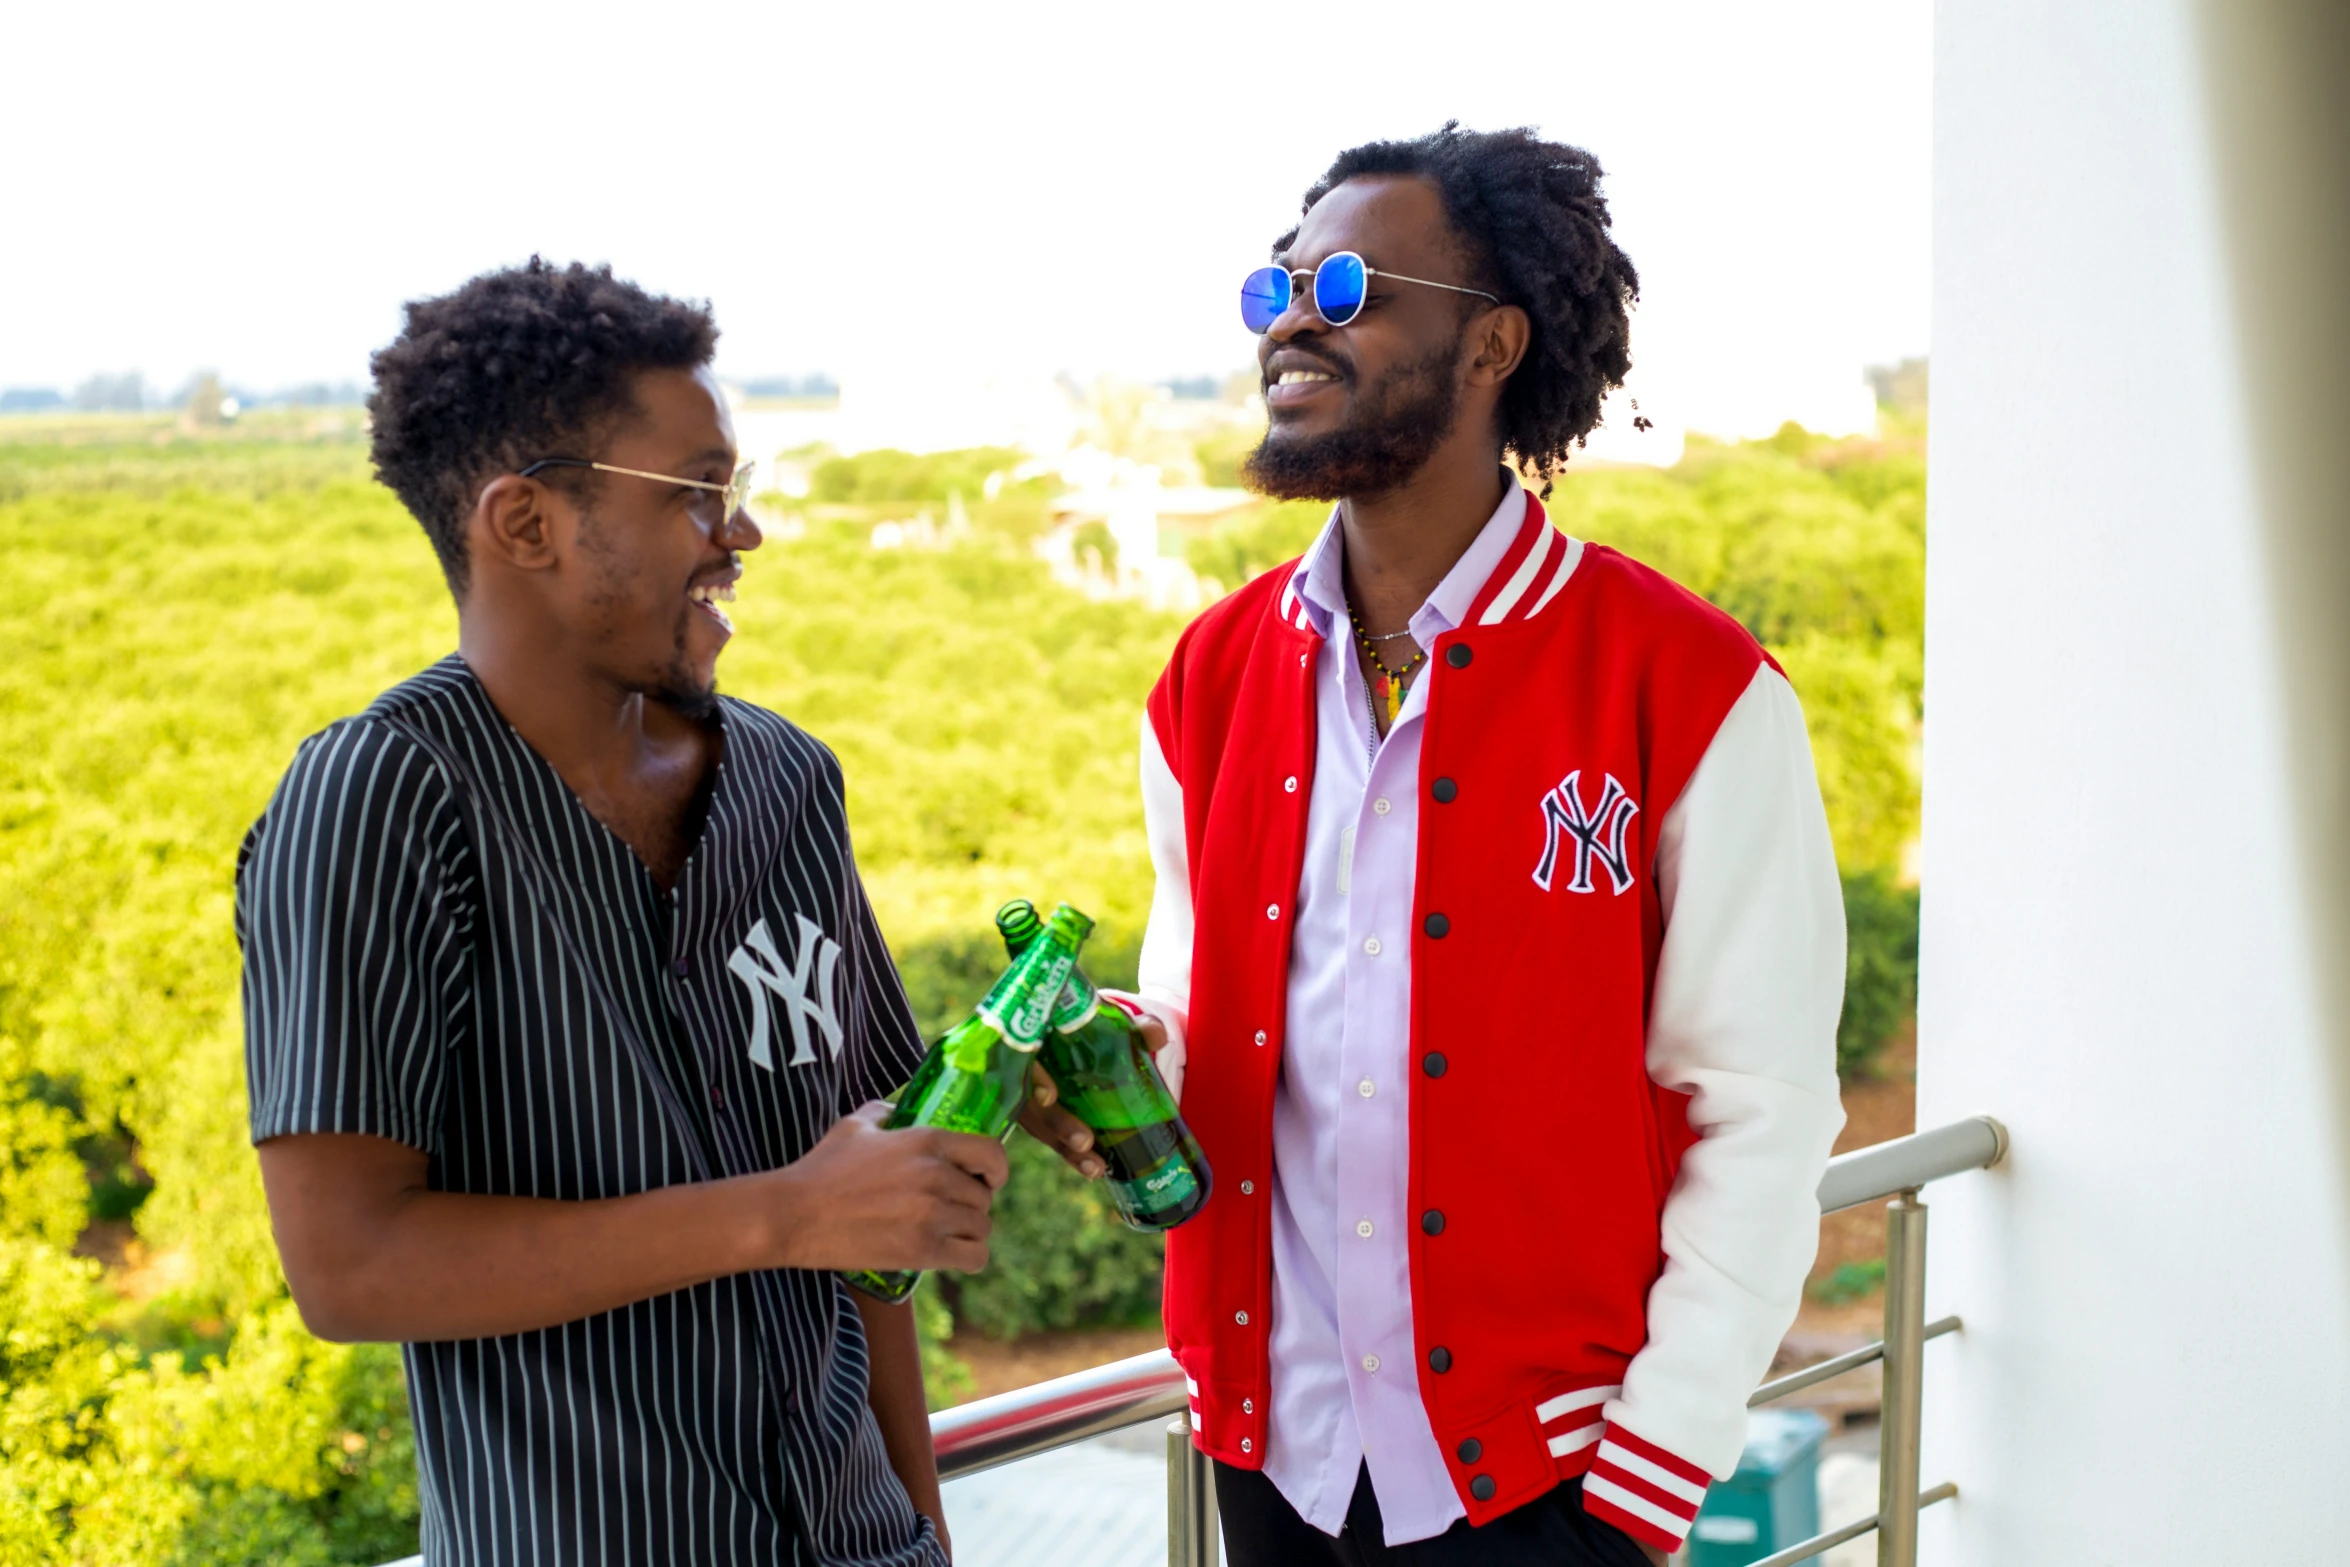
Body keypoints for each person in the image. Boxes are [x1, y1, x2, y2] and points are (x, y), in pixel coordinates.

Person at [1062, 124, 1849, 1565]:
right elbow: (1201, 1018)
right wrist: (1126, 1060)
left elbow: (1760, 1103)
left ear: (1490, 344)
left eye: (1349, 284)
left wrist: (1649, 1472)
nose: (1292, 318)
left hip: (1549, 1482)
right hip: (1274, 1457)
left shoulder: (1688, 684)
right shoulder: (1206, 678)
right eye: (1275, 286)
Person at [236, 259, 1011, 1566]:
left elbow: (870, 1209)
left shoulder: (788, 779)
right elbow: (348, 1267)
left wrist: (925, 1533)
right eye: (697, 493)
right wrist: (782, 1212)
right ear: (527, 524)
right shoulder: (377, 798)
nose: (740, 533)